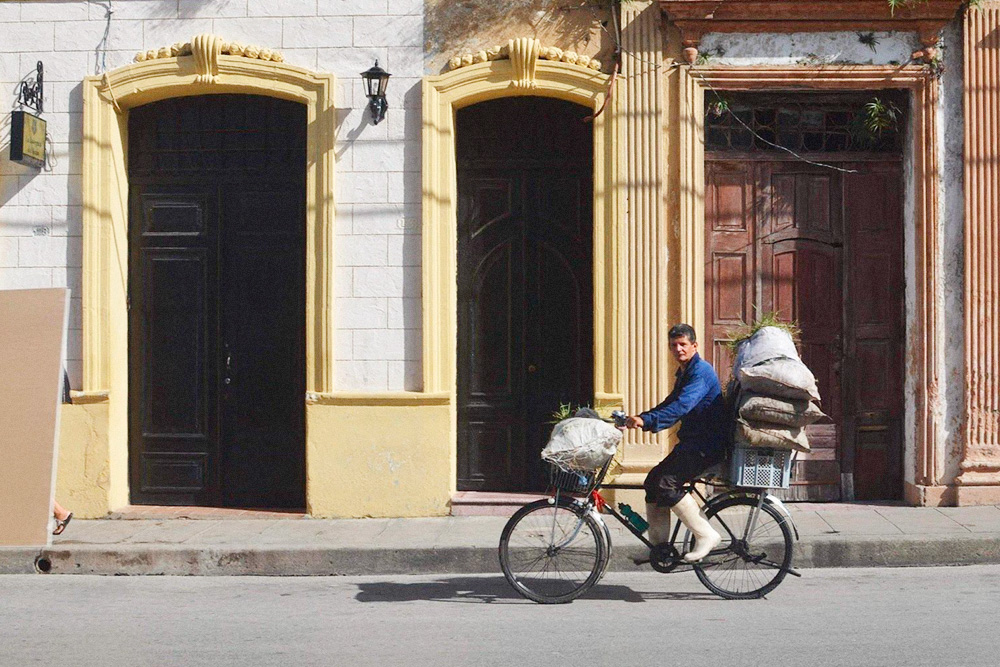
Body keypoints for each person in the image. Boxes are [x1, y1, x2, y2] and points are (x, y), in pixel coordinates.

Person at [622, 323, 727, 563]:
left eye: (683, 344)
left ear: (694, 346)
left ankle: (706, 535)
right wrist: (640, 418)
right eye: (673, 345)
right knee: (652, 482)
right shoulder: (685, 371)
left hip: (706, 446)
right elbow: (670, 402)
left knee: (666, 484)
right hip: (692, 442)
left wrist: (647, 421)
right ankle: (659, 549)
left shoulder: (701, 372)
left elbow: (682, 406)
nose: (678, 349)